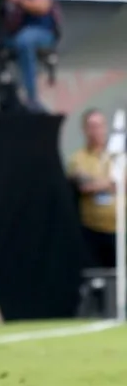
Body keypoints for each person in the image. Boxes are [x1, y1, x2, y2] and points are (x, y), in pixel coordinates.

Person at [68, 110, 119, 268]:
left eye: (99, 125)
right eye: (92, 126)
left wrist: (98, 182)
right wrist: (110, 182)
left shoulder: (117, 156)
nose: (96, 130)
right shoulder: (78, 158)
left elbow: (121, 183)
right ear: (85, 129)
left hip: (119, 230)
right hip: (92, 230)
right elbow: (82, 185)